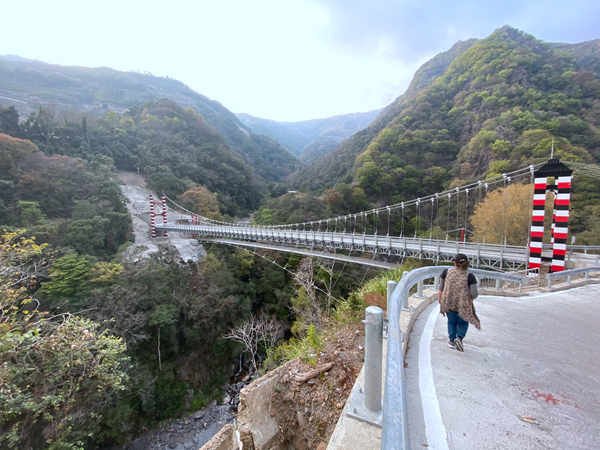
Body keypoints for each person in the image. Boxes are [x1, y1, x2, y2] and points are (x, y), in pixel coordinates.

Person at [438, 253, 480, 352]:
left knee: (451, 322)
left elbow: (441, 288)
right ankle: (459, 338)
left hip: (448, 302)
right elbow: (474, 294)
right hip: (463, 305)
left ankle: (451, 341)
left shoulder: (446, 272)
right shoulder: (470, 276)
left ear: (454, 262)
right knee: (463, 323)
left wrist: (441, 300)